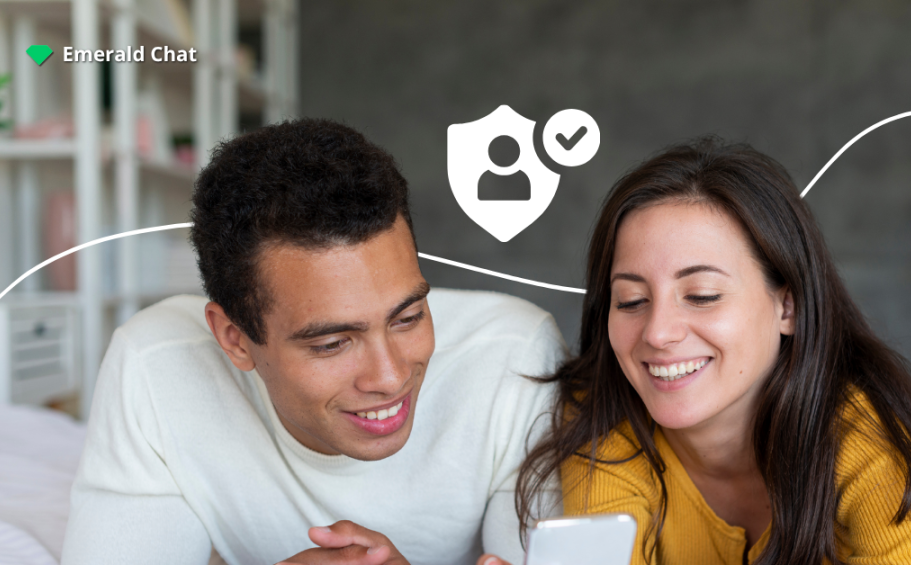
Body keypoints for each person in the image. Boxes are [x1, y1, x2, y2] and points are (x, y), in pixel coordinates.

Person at [61, 119, 567, 565]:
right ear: (235, 339)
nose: (390, 376)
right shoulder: (156, 364)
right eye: (331, 344)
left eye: (408, 316)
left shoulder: (514, 356)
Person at [505, 138, 911, 565]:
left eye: (703, 294)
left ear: (787, 306)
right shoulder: (605, 421)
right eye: (631, 301)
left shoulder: (860, 437)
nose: (658, 333)